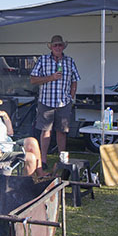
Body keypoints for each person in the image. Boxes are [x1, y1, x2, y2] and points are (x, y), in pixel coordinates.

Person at [29, 35, 80, 169]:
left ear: (63, 47)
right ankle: (43, 161)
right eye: (55, 45)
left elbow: (75, 80)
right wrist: (50, 78)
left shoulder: (69, 61)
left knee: (62, 131)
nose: (58, 47)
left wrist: (71, 97)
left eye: (60, 45)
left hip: (63, 102)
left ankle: (62, 160)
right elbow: (33, 79)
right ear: (51, 47)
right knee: (45, 131)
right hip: (46, 101)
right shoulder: (43, 60)